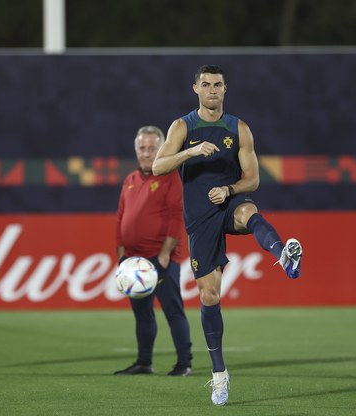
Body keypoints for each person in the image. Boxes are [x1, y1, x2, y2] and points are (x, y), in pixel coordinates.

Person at [152, 65, 303, 406]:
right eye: (206, 85)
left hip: (229, 201)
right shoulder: (182, 126)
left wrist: (228, 188)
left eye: (217, 85)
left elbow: (253, 179)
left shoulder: (239, 128)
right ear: (195, 89)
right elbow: (158, 166)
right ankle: (220, 375)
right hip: (199, 219)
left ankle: (283, 255)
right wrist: (190, 152)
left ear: (226, 88)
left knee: (248, 212)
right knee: (209, 296)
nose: (212, 90)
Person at [114, 125, 193, 377]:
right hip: (134, 260)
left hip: (161, 258)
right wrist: (121, 253)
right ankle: (144, 362)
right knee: (142, 314)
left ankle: (184, 362)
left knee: (172, 309)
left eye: (152, 148)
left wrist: (165, 253)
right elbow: (121, 217)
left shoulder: (169, 176)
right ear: (136, 150)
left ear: (162, 149)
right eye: (142, 148)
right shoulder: (130, 180)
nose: (147, 154)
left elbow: (175, 216)